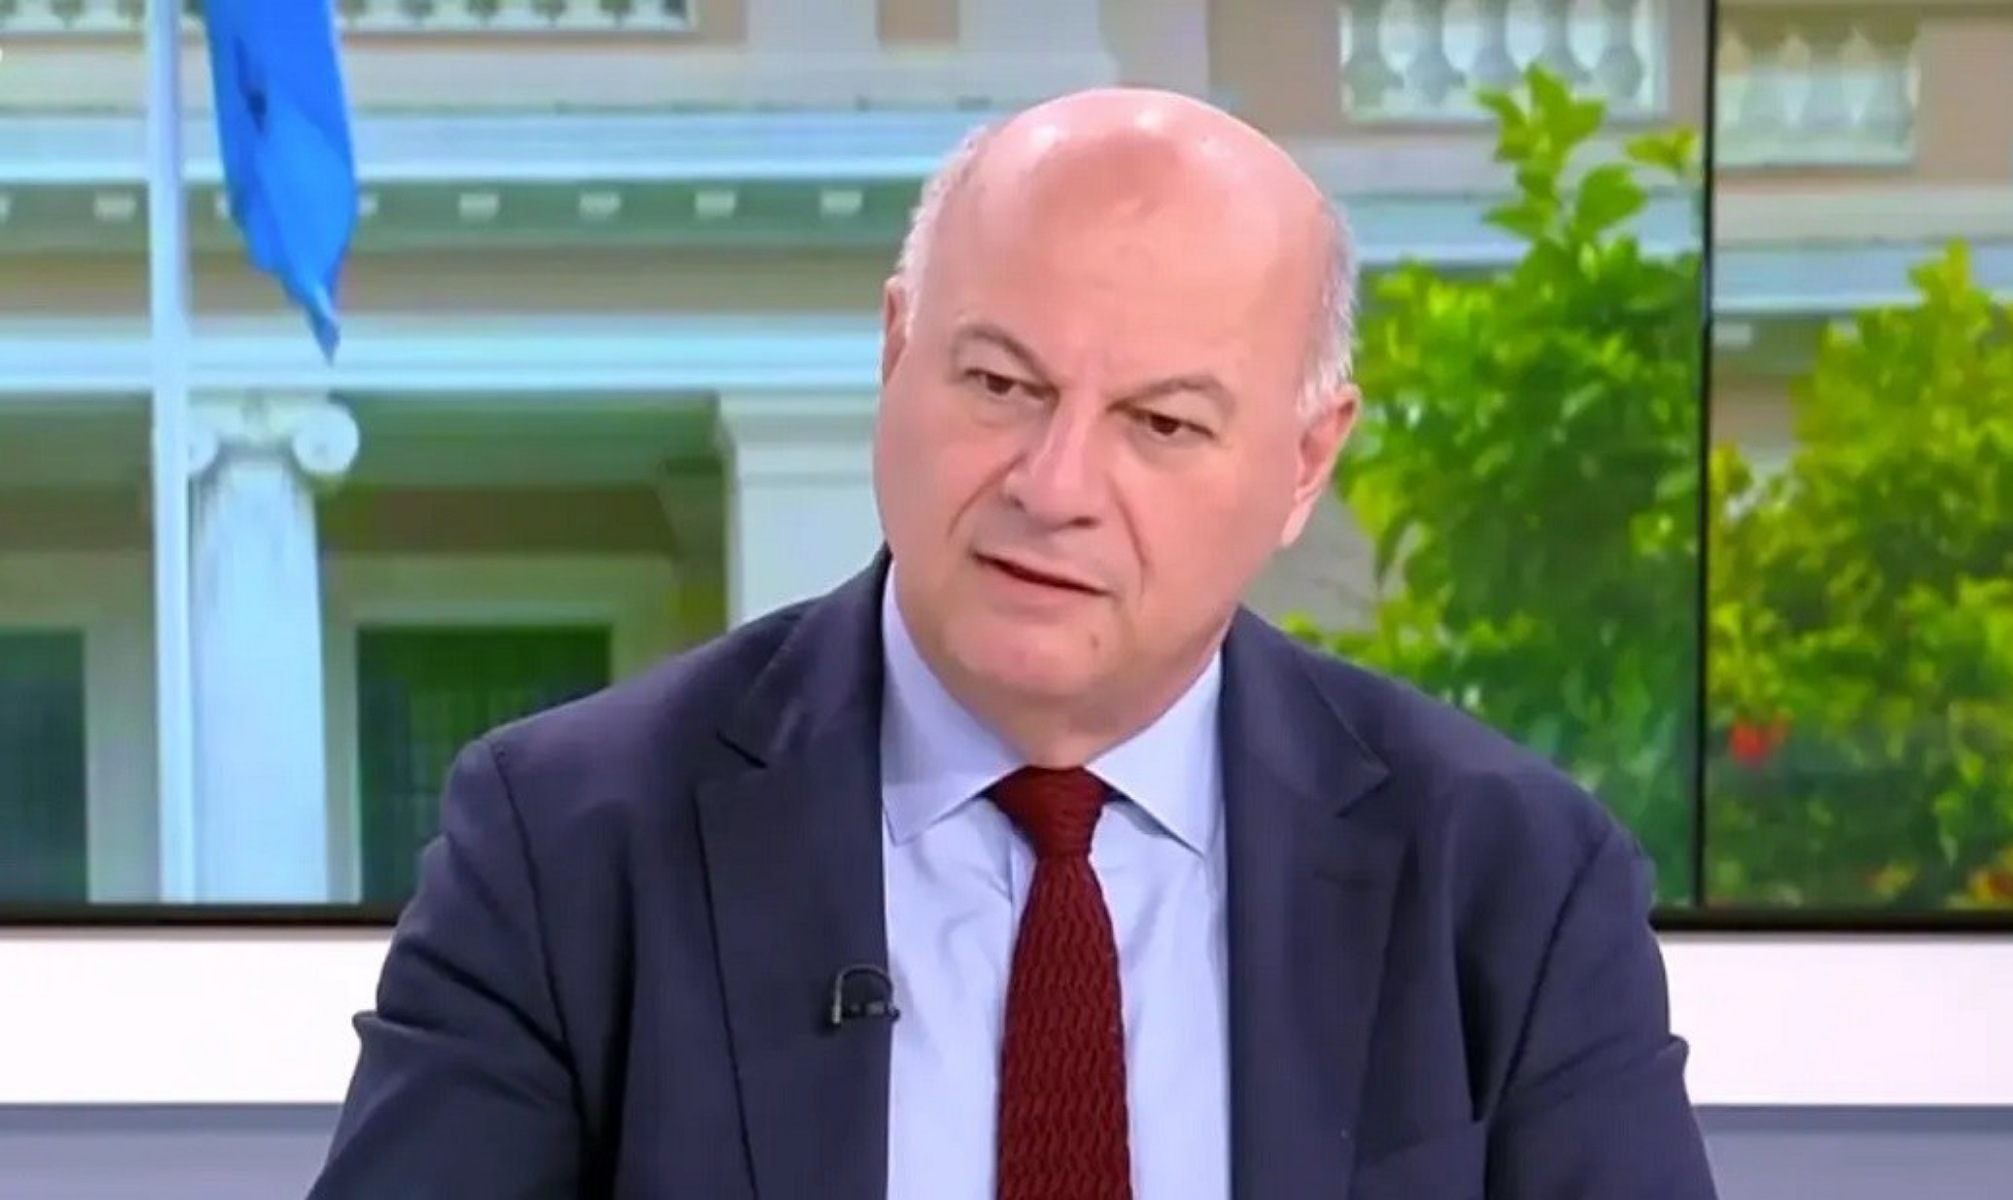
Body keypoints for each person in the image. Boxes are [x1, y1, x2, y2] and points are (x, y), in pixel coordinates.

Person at [308, 87, 1718, 1199]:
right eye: (998, 383)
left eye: (1160, 423)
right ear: (894, 354)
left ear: (1304, 462)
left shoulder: (1509, 882)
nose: (1053, 486)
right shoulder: (569, 845)